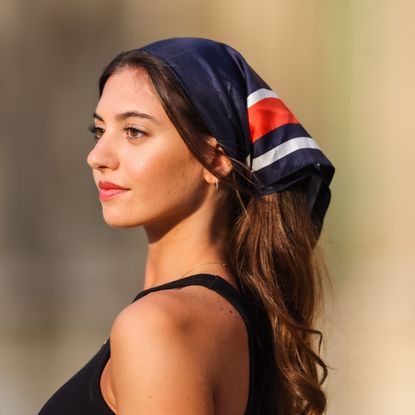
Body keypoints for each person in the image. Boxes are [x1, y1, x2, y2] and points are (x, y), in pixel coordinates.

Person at [38, 37, 334, 415]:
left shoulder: (157, 327)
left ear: (215, 157)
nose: (97, 157)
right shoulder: (250, 322)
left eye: (134, 132)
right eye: (99, 131)